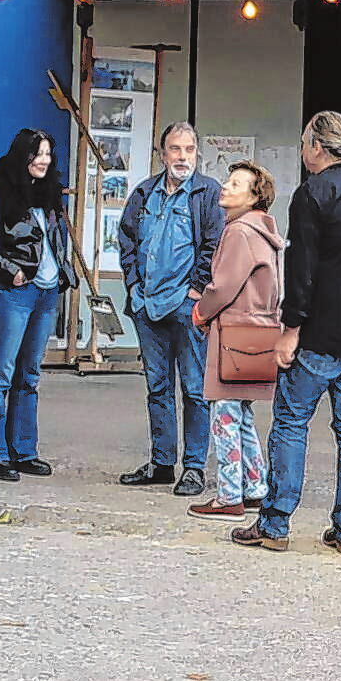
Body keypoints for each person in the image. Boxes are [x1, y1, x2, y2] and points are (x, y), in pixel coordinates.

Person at [234, 112, 341, 557]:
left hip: (318, 335)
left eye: (303, 144)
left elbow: (302, 271)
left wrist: (290, 329)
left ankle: (275, 524)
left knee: (291, 424)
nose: (301, 152)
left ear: (318, 147)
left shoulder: (311, 194)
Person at [114, 122, 225, 496]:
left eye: (189, 149)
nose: (182, 157)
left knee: (194, 389)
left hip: (185, 306)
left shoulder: (208, 193)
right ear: (162, 154)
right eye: (175, 149)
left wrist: (195, 291)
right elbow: (126, 238)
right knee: (157, 387)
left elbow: (214, 244)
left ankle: (193, 467)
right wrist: (133, 286)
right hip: (147, 305)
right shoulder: (145, 192)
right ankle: (162, 463)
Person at [186, 161, 285, 521]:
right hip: (259, 331)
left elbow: (223, 286)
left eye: (236, 184)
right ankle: (255, 487)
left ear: (254, 196)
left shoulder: (239, 232)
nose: (225, 188)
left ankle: (229, 496)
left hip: (234, 331)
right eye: (227, 181)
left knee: (224, 415)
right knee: (240, 414)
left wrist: (200, 311)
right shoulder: (264, 231)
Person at [0, 129, 74, 483]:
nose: (44, 160)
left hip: (47, 292)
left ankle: (24, 450)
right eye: (37, 153)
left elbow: (56, 241)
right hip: (14, 292)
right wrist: (9, 271)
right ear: (22, 155)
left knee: (29, 374)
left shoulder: (50, 192)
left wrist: (63, 275)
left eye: (48, 153)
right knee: (0, 373)